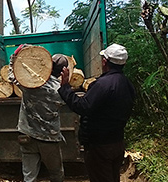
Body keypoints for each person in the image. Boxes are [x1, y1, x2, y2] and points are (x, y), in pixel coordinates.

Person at [58, 43, 135, 182]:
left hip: (100, 146)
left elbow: (82, 107)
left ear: (105, 61)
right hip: (117, 142)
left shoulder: (103, 84)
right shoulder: (127, 84)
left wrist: (65, 88)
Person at [9, 45, 67, 182]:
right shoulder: (61, 90)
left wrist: (15, 55)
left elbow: (12, 74)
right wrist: (66, 84)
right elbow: (70, 101)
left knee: (29, 176)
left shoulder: (29, 82)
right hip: (49, 139)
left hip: (27, 135)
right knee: (56, 174)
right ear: (63, 71)